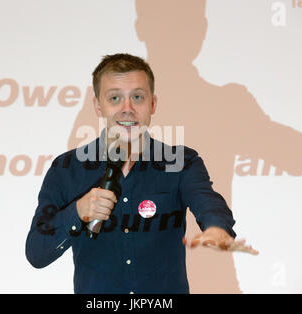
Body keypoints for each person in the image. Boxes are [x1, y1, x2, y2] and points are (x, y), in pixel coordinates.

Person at [25, 53, 257, 294]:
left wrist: (216, 227)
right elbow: (36, 253)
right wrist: (77, 212)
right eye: (115, 98)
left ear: (153, 103)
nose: (128, 109)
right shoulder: (67, 169)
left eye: (138, 97)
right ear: (97, 105)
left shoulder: (181, 162)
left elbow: (208, 202)